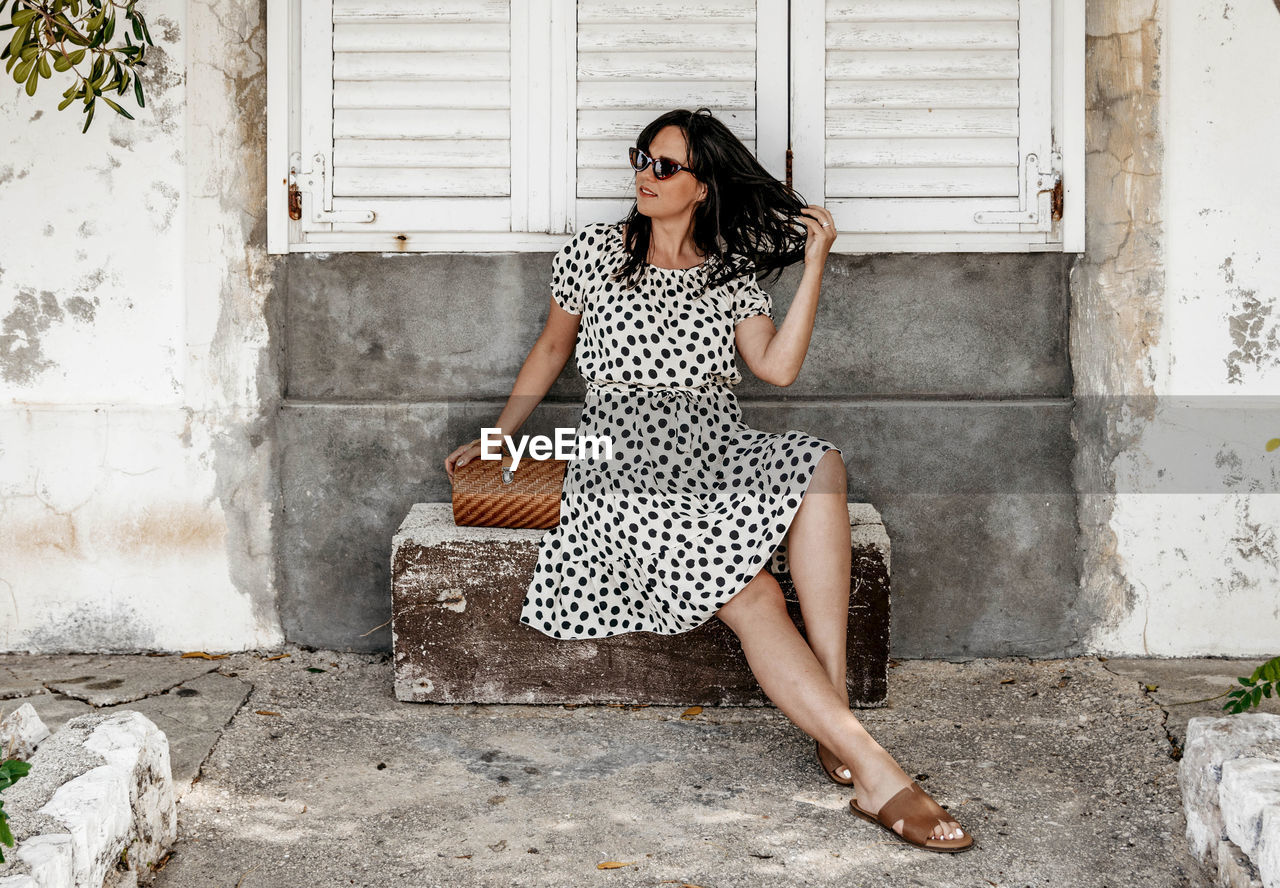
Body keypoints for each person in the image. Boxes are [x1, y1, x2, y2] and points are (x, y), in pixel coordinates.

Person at [444, 108, 973, 853]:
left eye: (665, 167)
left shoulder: (731, 272)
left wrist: (816, 262)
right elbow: (552, 349)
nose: (644, 176)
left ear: (702, 188)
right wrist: (499, 436)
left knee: (821, 463)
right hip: (623, 468)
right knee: (752, 590)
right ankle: (876, 773)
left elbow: (777, 369)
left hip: (714, 454)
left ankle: (835, 712)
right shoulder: (594, 253)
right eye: (643, 159)